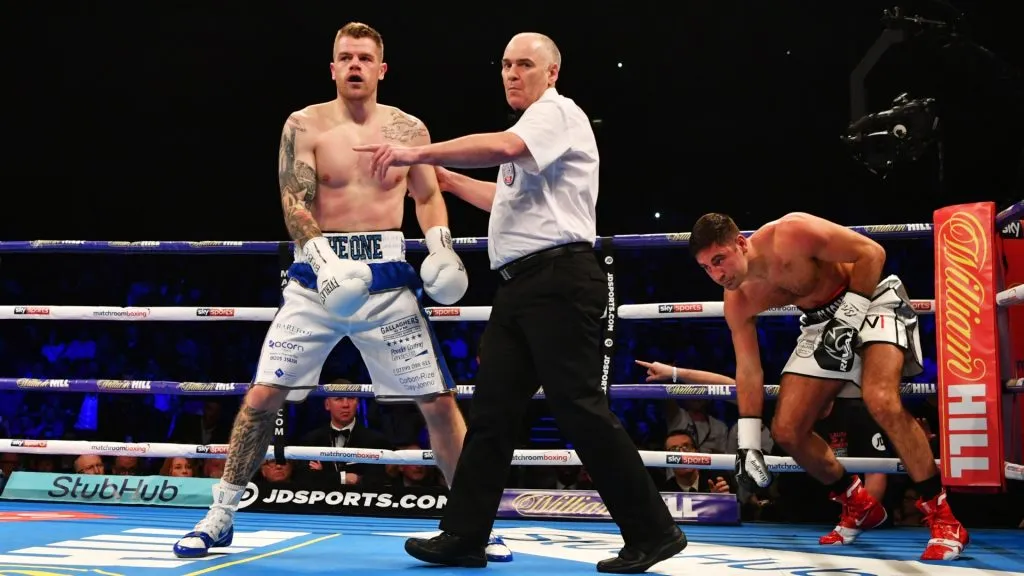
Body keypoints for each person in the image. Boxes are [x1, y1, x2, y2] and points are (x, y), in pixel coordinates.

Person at [172, 22, 512, 562]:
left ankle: (473, 522)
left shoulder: (409, 130)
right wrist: (324, 260)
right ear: (333, 68)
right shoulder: (304, 124)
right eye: (345, 57)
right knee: (262, 396)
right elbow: (294, 202)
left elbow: (427, 196)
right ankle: (219, 516)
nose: (355, 65)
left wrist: (441, 245)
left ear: (381, 69)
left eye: (365, 57)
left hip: (386, 279)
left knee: (439, 403)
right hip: (316, 277)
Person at [354, 32, 686, 573]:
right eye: (506, 64)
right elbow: (507, 205)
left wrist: (417, 152)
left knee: (579, 409)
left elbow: (504, 148)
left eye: (524, 65)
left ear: (552, 72)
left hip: (561, 280)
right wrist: (451, 181)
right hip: (520, 285)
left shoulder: (556, 114)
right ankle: (464, 535)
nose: (512, 73)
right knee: (491, 415)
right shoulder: (533, 133)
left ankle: (654, 531)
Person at [687, 211, 967, 560]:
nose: (718, 274)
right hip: (821, 323)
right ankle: (858, 503)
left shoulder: (791, 234)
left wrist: (849, 318)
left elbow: (872, 254)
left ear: (740, 244)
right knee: (787, 430)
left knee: (880, 400)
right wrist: (747, 443)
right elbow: (748, 370)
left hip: (872, 298)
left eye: (719, 260)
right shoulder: (740, 299)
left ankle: (944, 518)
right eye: (706, 268)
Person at [636, 359, 891, 540]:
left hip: (842, 516)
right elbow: (732, 387)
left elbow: (876, 474)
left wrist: (851, 523)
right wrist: (675, 372)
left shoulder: (856, 413)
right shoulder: (787, 406)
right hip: (794, 517)